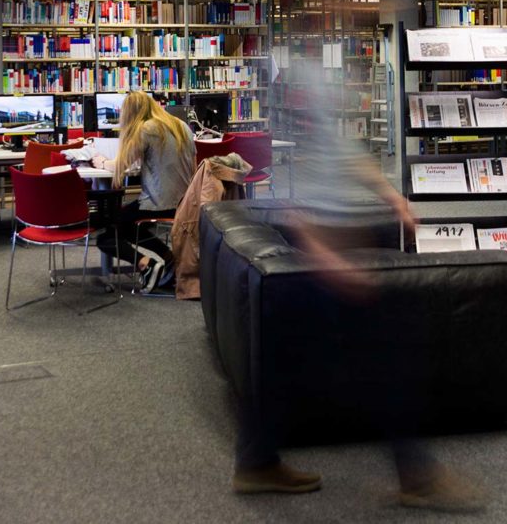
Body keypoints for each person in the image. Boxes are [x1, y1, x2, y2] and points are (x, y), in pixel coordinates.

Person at [230, 69, 486, 512]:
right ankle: (418, 475)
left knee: (290, 363)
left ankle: (256, 461)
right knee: (382, 361)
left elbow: (343, 152)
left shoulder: (325, 79)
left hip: (336, 249)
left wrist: (390, 196)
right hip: (323, 252)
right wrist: (322, 254)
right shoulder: (290, 80)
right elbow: (286, 177)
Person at [94, 91, 195, 293]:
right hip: (185, 205)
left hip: (158, 204)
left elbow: (120, 166)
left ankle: (146, 264)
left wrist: (101, 161)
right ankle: (167, 258)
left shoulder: (146, 129)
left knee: (106, 234)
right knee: (125, 223)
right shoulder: (181, 125)